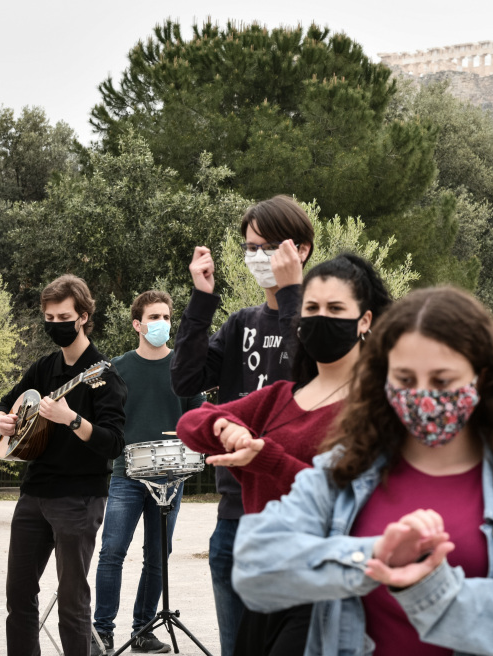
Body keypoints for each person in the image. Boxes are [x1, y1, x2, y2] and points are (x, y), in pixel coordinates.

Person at [230, 287, 493, 655]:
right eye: (404, 379)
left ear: (481, 377)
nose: (422, 395)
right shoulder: (345, 470)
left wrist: (432, 589)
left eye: (441, 380)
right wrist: (374, 555)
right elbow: (254, 566)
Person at [178, 253, 391, 655]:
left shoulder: (377, 405)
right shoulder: (279, 397)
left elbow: (352, 501)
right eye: (311, 307)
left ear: (364, 321)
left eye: (335, 308)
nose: (320, 317)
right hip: (267, 585)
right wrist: (224, 427)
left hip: (327, 591)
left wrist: (265, 459)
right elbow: (192, 423)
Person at [170, 195, 313, 656]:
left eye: (267, 247)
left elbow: (311, 371)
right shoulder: (241, 323)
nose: (257, 257)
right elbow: (186, 379)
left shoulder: (322, 322)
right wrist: (202, 298)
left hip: (297, 518)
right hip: (233, 516)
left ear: (301, 250)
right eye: (250, 248)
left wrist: (294, 294)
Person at [0, 275, 127, 656]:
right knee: (18, 594)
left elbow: (113, 443)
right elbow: (5, 404)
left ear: (83, 316)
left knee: (72, 601)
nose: (55, 325)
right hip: (34, 493)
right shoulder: (44, 368)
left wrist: (72, 419)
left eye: (63, 317)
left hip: (79, 498)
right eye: (48, 318)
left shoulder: (104, 376)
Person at [91, 291, 205, 655]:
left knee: (158, 556)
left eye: (167, 317)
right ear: (137, 324)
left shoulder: (183, 367)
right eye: (154, 317)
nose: (162, 324)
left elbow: (198, 419)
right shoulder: (118, 368)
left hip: (172, 477)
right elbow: (103, 421)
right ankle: (101, 633)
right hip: (127, 474)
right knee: (112, 552)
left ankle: (143, 630)